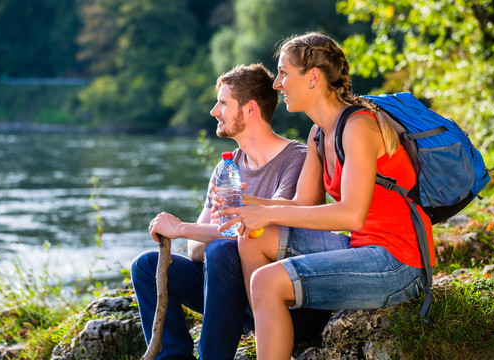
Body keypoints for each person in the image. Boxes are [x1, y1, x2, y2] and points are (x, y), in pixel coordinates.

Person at [215, 32, 436, 360]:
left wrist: (268, 213)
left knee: (266, 281)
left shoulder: (359, 127)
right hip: (362, 247)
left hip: (398, 263)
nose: (277, 84)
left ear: (313, 77)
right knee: (253, 237)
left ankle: (273, 318)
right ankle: (272, 325)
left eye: (284, 73)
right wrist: (250, 205)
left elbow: (350, 215)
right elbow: (304, 205)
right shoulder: (319, 133)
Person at [130, 63, 331, 360]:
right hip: (237, 295)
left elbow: (268, 232)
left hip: (287, 303)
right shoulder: (227, 167)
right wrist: (202, 231)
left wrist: (182, 227)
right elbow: (196, 251)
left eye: (223, 103)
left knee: (223, 250)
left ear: (250, 109)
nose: (214, 111)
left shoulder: (296, 160)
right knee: (146, 266)